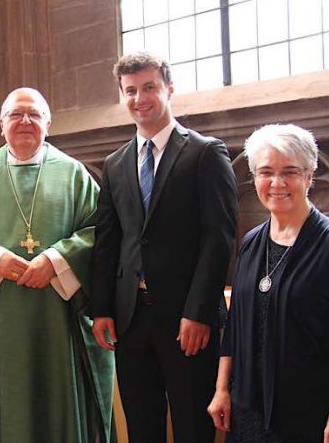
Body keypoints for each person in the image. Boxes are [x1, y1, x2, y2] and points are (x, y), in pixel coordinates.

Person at [0, 87, 116, 443]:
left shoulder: (74, 174)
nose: (25, 121)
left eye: (34, 115)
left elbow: (102, 233)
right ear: (0, 124)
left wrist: (56, 261)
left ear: (48, 124)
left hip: (58, 320)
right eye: (16, 114)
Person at [91, 51, 238, 442]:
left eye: (149, 88)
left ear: (169, 89)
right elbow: (108, 240)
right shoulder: (115, 163)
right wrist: (103, 308)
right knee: (142, 426)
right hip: (131, 318)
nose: (140, 98)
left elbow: (219, 237)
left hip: (186, 320)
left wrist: (199, 311)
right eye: (131, 91)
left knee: (192, 426)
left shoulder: (206, 152)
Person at [207, 124, 329, 442]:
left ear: (309, 176)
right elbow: (235, 325)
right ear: (254, 178)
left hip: (314, 413)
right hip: (249, 409)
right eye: (266, 172)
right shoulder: (251, 242)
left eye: (290, 172)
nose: (277, 183)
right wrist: (222, 389)